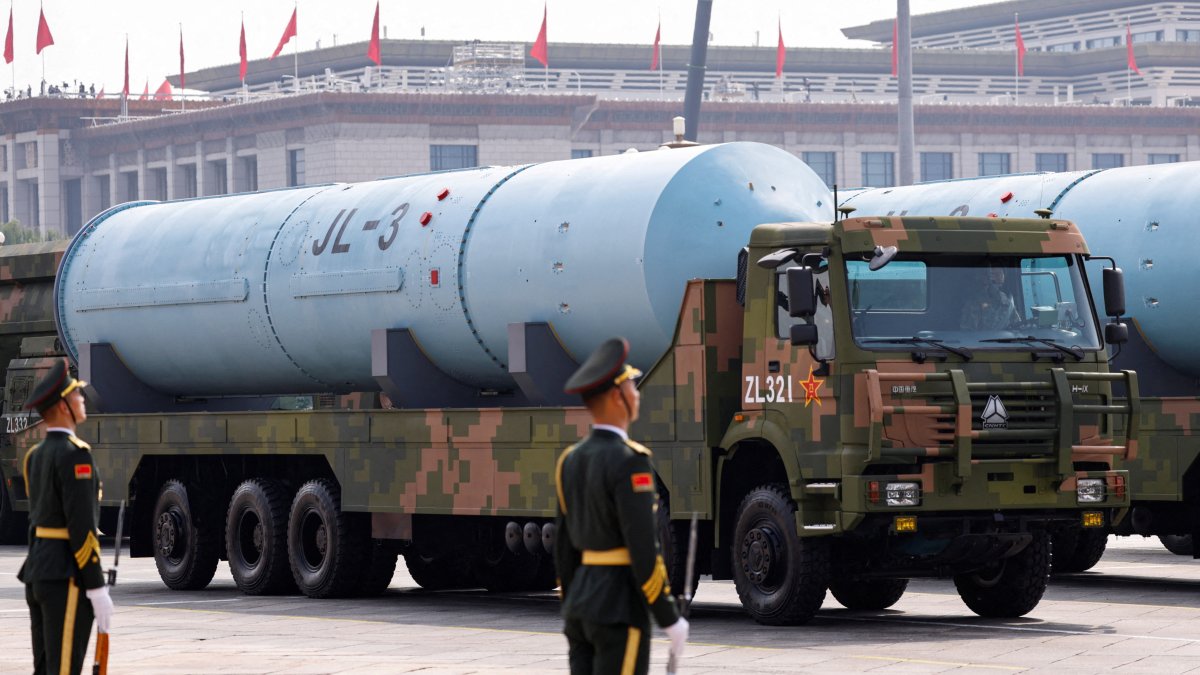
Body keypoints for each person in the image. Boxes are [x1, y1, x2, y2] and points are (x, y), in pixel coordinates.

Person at [554, 337, 688, 675]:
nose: (637, 393)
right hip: (618, 607)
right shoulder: (630, 461)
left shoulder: (570, 461)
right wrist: (669, 617)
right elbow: (644, 548)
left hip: (580, 608)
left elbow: (564, 549)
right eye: (632, 386)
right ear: (617, 397)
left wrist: (573, 603)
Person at [18, 359, 114, 675]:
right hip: (65, 576)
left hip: (38, 572)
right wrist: (96, 586)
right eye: (75, 395)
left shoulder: (35, 455)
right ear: (62, 407)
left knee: (46, 668)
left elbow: (40, 517)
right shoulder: (75, 455)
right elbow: (82, 527)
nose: (81, 400)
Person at [960, 263, 1020, 331]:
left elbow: (1017, 325)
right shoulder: (974, 302)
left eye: (999, 273)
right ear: (984, 278)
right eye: (992, 274)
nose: (996, 277)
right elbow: (967, 332)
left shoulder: (1007, 301)